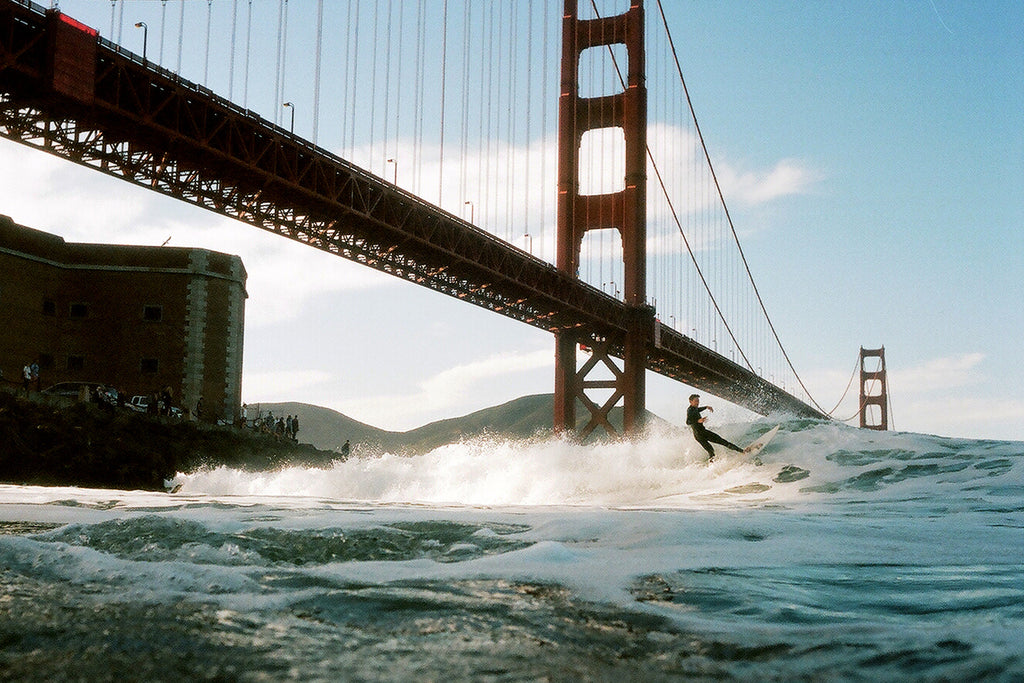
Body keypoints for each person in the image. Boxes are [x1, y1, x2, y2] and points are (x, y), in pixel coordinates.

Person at [686, 394, 742, 463]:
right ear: (690, 401)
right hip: (702, 433)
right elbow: (688, 422)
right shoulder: (690, 411)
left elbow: (698, 410)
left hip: (698, 435)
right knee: (723, 442)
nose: (697, 402)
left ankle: (712, 467)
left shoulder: (694, 408)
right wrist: (698, 421)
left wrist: (706, 407)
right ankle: (742, 451)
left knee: (711, 451)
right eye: (695, 401)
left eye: (698, 401)